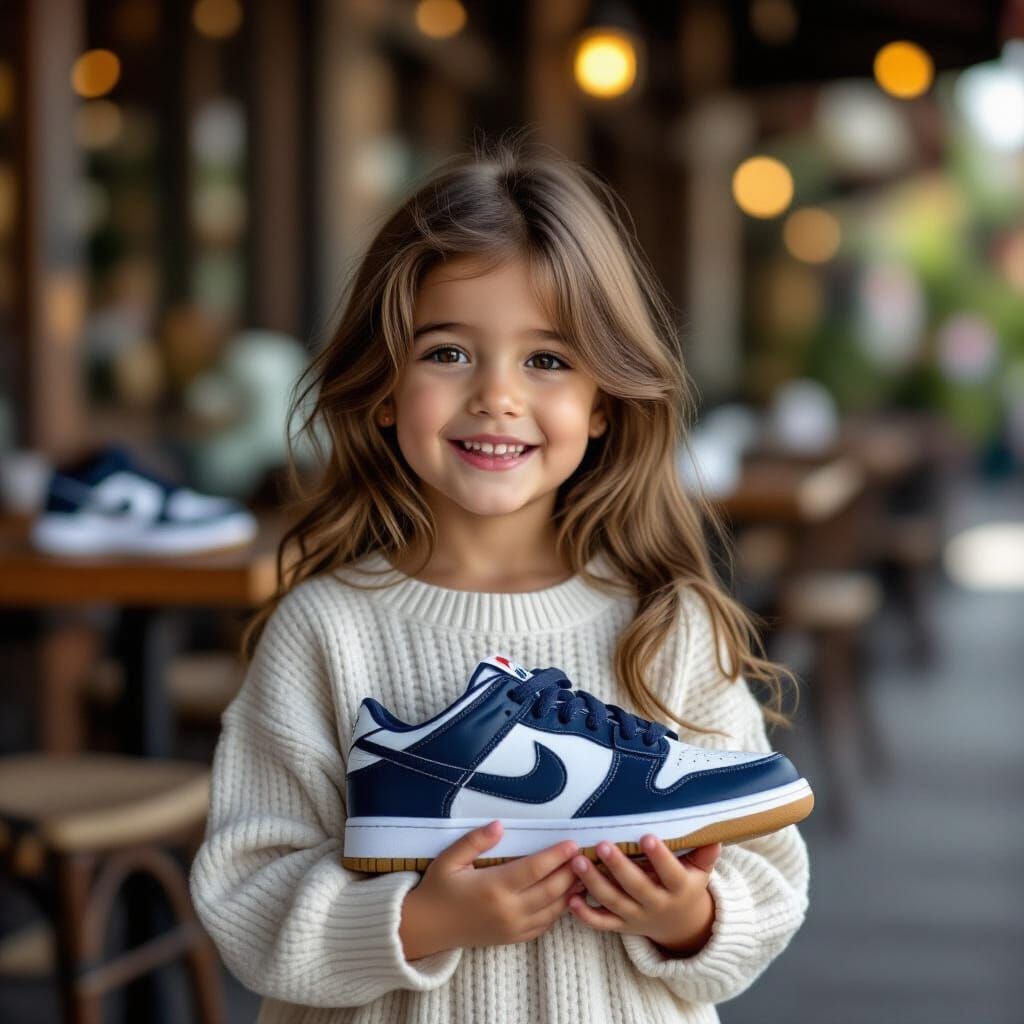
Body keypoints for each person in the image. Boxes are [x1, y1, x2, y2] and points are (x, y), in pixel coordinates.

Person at [189, 133, 810, 1024]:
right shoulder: (325, 629)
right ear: (384, 385)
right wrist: (421, 919)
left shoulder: (662, 624)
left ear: (603, 403)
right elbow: (248, 894)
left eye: (547, 360)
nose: (497, 395)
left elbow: (769, 872)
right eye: (447, 352)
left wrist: (687, 915)